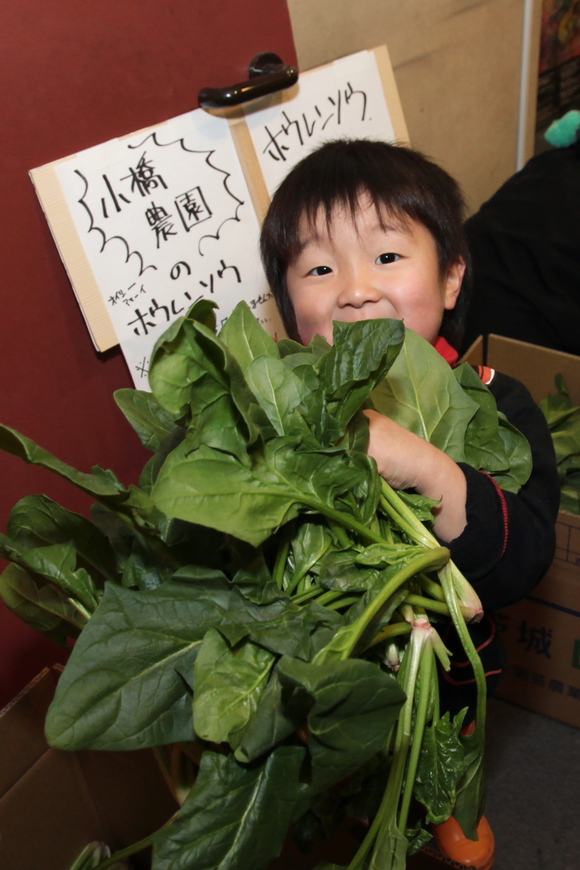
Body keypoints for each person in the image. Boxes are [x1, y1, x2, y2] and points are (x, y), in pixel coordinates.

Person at [260, 138, 560, 869]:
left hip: (453, 659)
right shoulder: (277, 412)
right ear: (285, 305)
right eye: (320, 268)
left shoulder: (496, 397)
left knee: (449, 729)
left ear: (452, 278)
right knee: (334, 750)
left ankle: (449, 796)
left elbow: (526, 555)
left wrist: (430, 466)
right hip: (335, 660)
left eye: (388, 257)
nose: (356, 289)